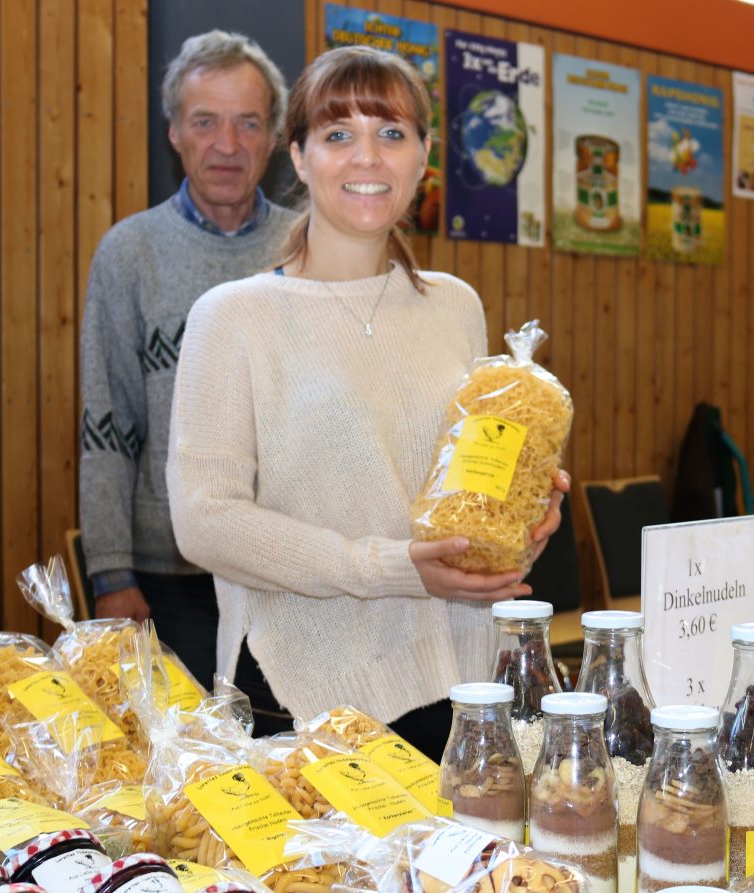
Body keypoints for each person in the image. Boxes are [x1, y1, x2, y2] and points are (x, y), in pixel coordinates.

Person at [166, 45, 568, 754]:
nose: (367, 158)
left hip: (456, 673)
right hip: (303, 688)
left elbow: (458, 479)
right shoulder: (233, 316)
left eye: (391, 134)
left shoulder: (455, 305)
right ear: (298, 156)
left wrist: (521, 509)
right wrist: (388, 565)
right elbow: (204, 521)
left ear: (423, 157)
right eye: (337, 134)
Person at [78, 30, 299, 702]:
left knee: (298, 771)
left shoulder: (309, 247)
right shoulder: (129, 254)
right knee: (193, 779)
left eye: (247, 123)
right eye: (206, 122)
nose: (226, 145)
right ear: (174, 132)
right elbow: (105, 423)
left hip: (289, 577)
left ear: (274, 137)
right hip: (169, 581)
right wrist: (112, 575)